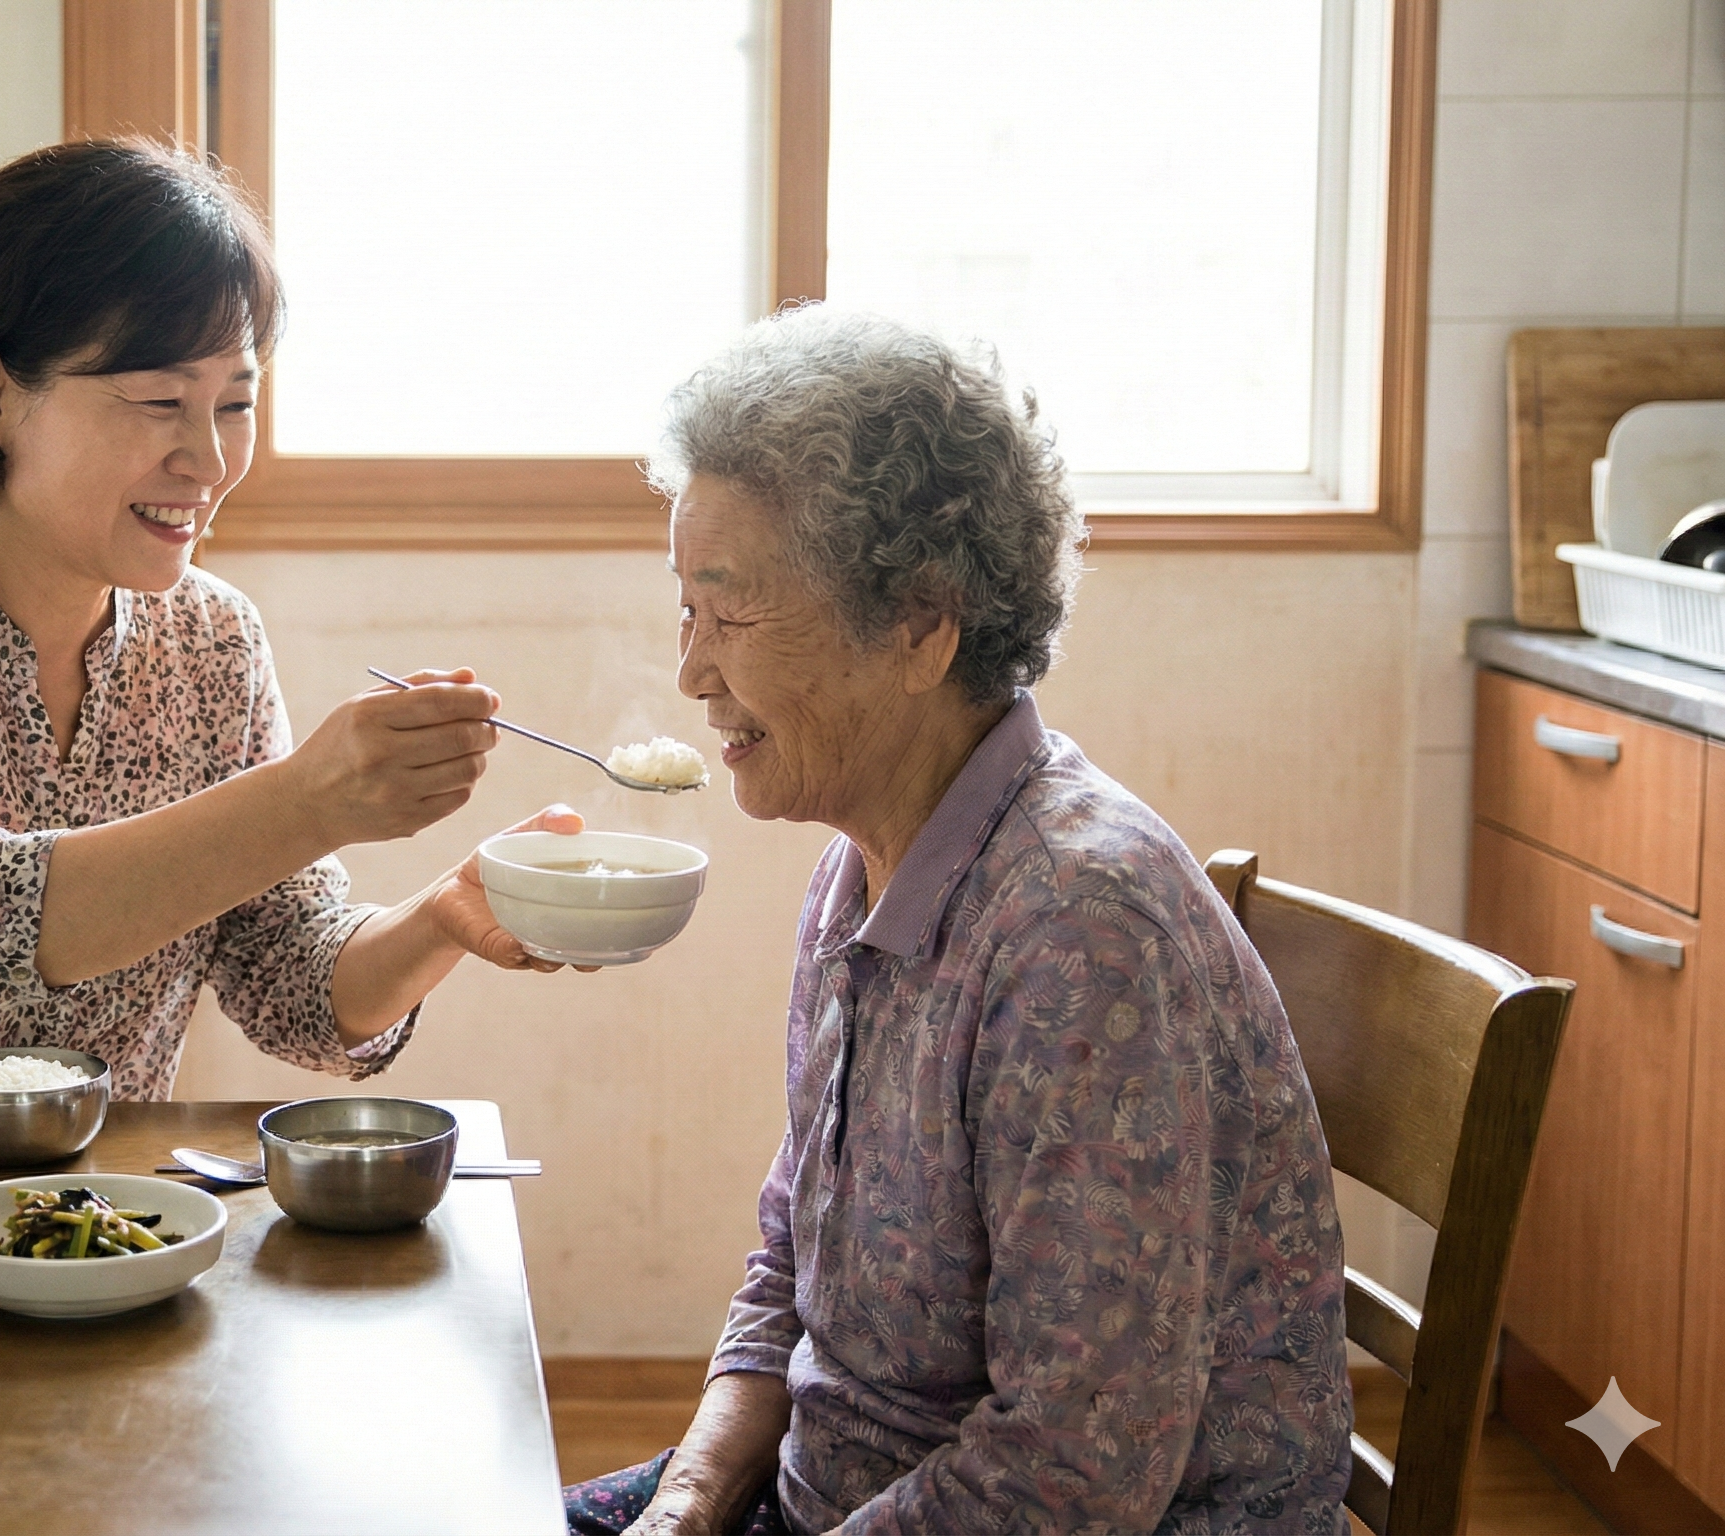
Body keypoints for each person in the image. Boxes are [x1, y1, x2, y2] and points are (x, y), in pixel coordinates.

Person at [565, 308, 1351, 1534]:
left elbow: (1072, 1476)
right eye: (685, 610)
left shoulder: (1082, 938)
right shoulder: (867, 862)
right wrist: (690, 1494)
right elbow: (794, 1249)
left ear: (922, 628)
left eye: (731, 614)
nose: (691, 673)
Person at [0, 140, 581, 1099]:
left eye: (234, 403)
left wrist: (442, 916)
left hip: (79, 1225)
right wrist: (308, 800)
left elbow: (293, 988)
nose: (208, 458)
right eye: (158, 401)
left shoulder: (214, 640)